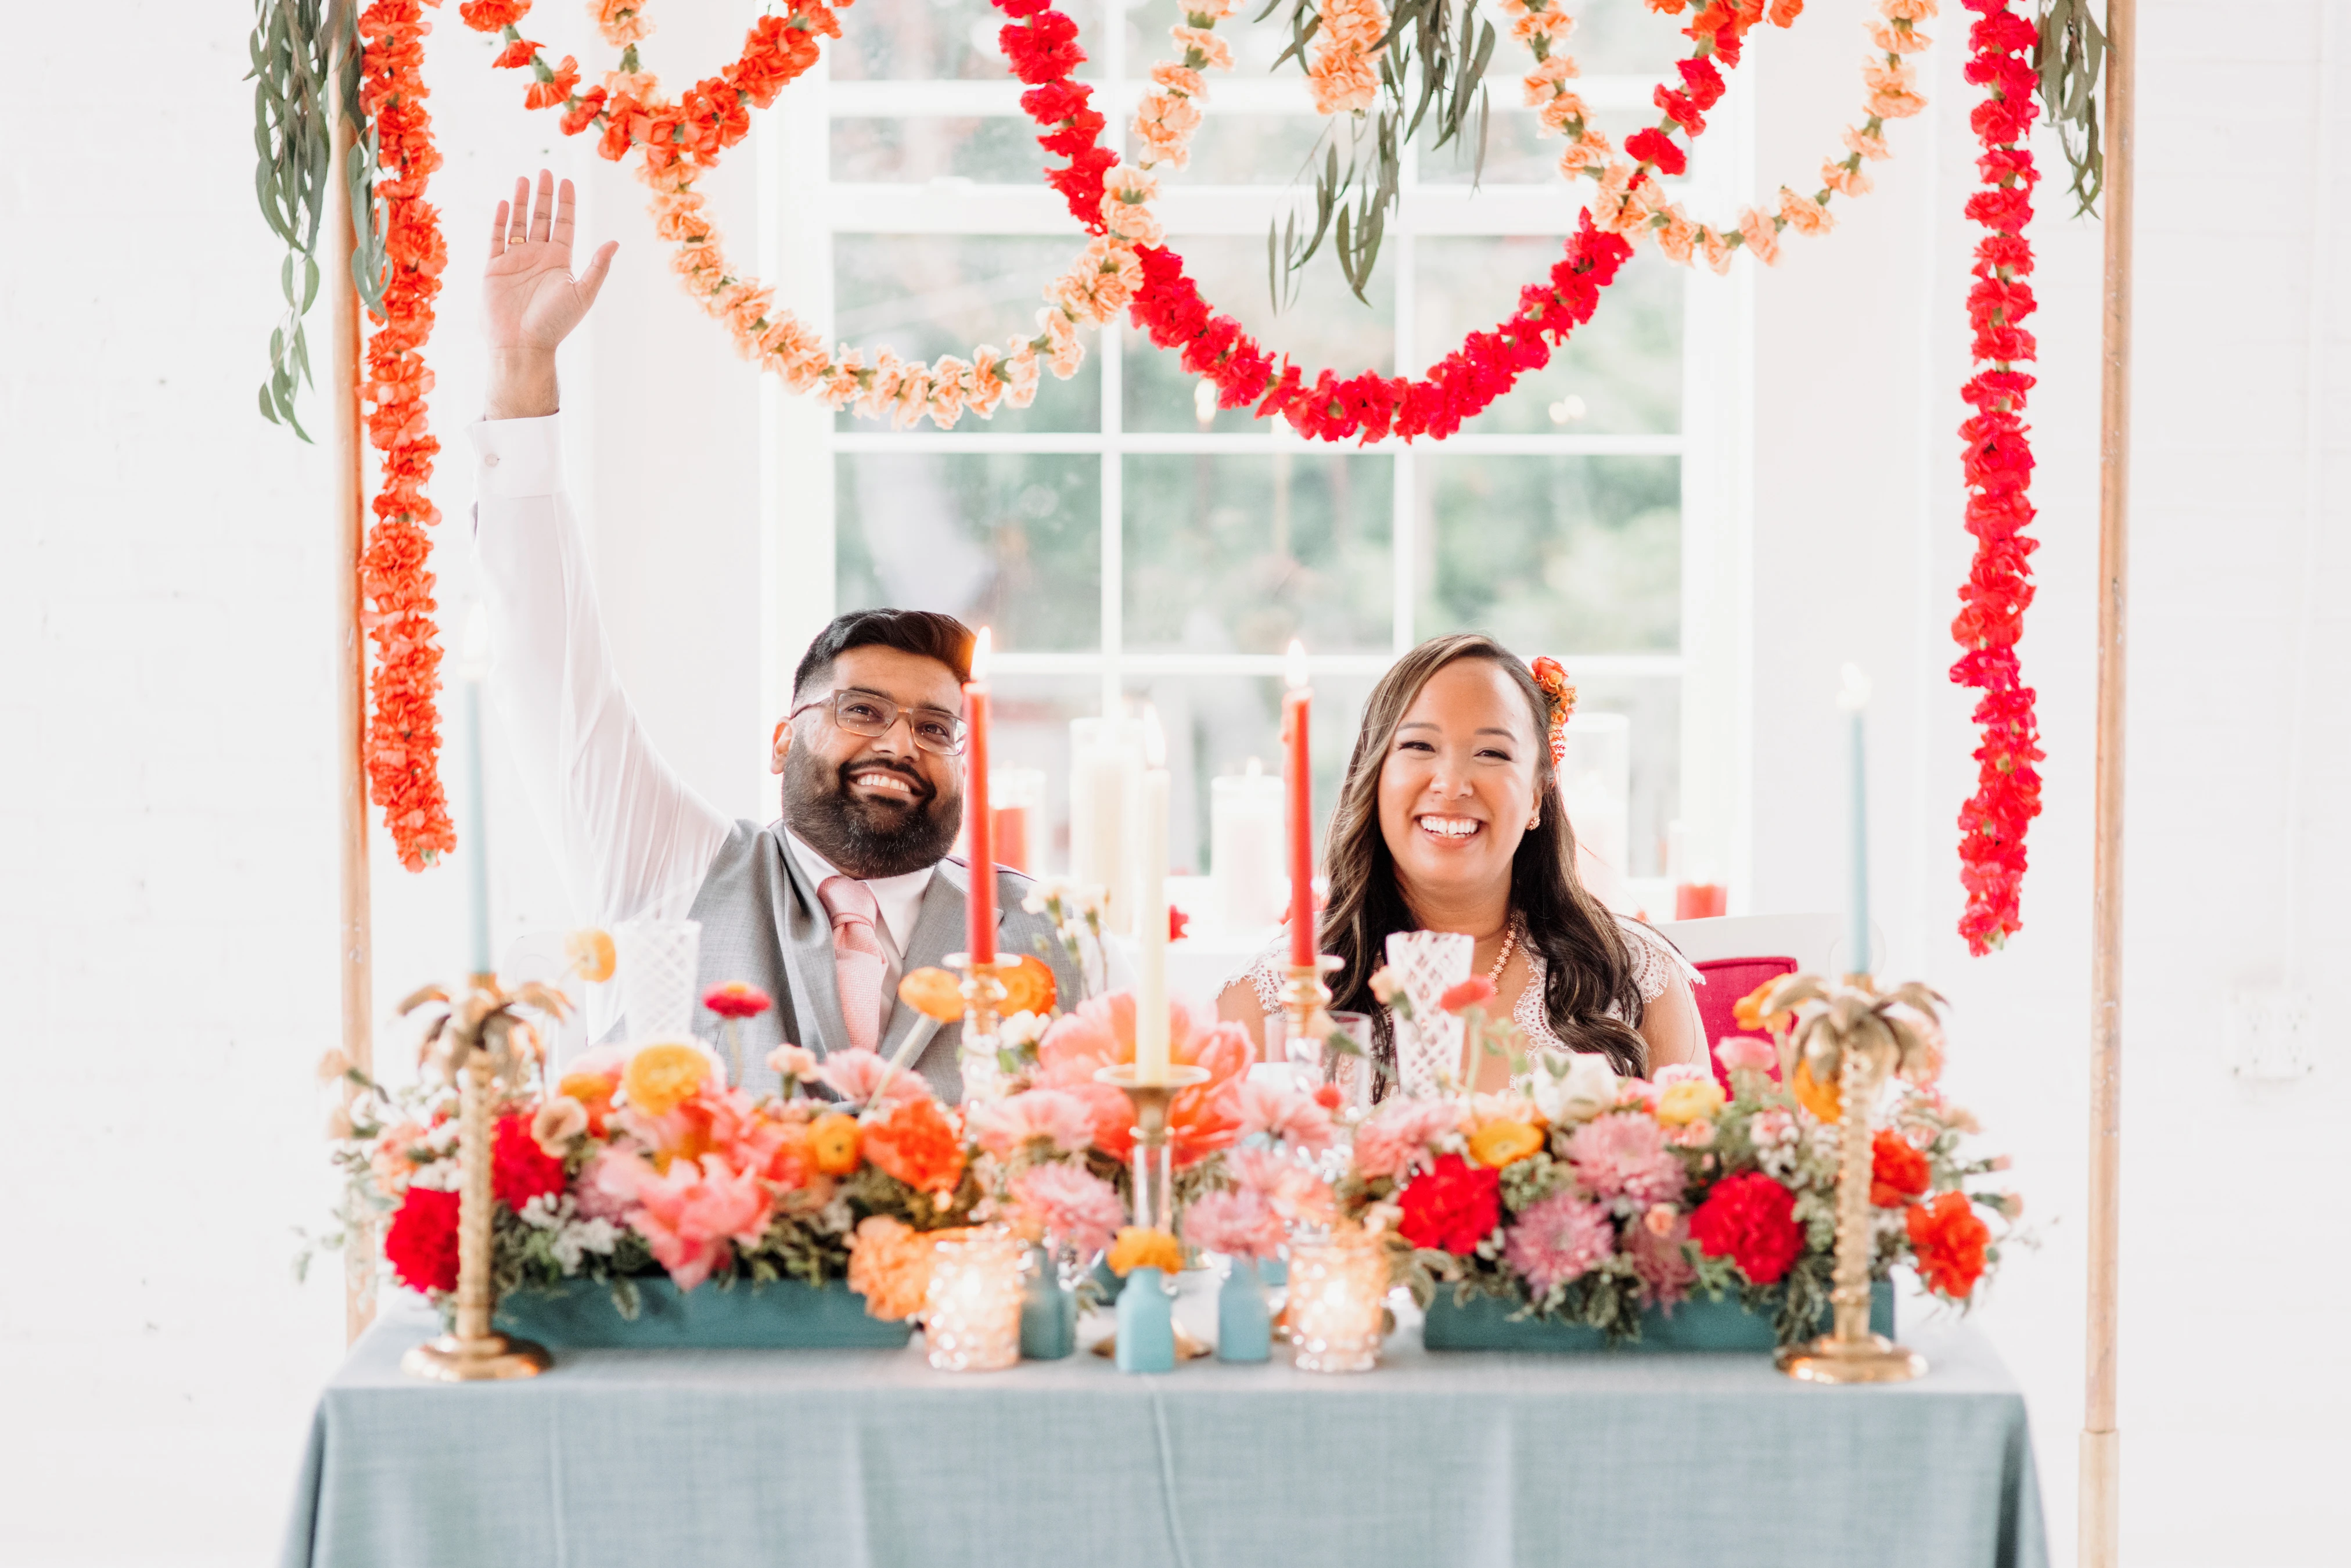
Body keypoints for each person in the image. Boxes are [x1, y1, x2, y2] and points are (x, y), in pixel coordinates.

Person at [470, 170, 1074, 1099]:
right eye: (862, 708)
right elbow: (547, 668)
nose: (899, 742)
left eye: (935, 727)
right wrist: (522, 376)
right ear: (784, 737)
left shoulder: (1046, 933)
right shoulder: (670, 868)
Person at [1218, 633, 1706, 1092]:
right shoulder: (1268, 997)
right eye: (1419, 747)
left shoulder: (1637, 977)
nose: (1452, 785)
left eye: (1492, 752)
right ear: (1374, 777)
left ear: (1538, 795)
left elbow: (1700, 1172)